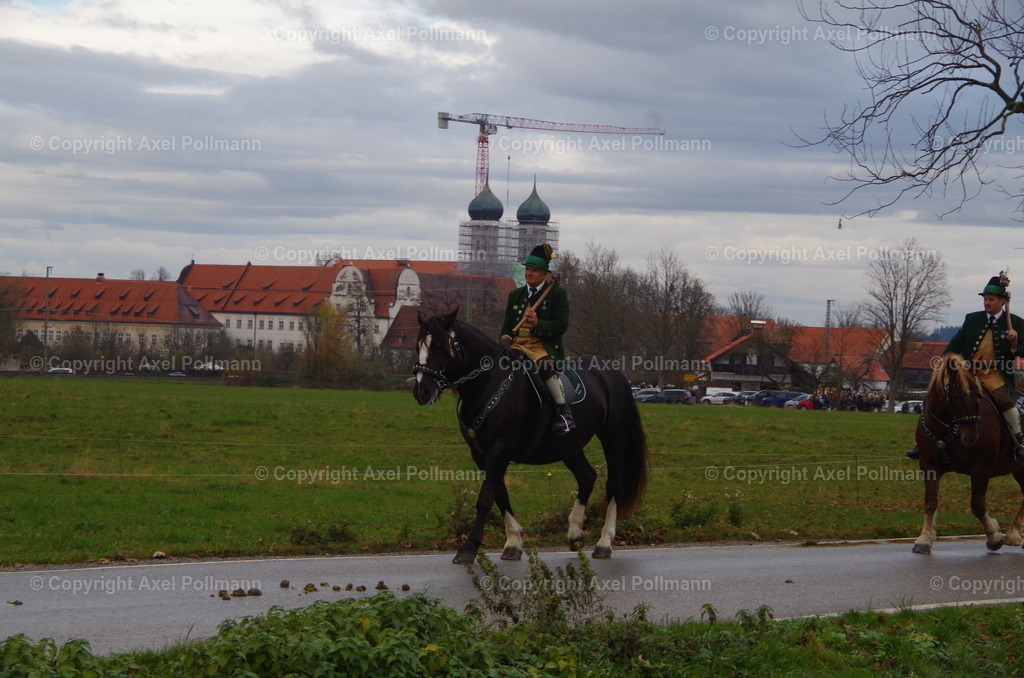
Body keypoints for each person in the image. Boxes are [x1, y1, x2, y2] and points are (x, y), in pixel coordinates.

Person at [908, 273, 1024, 462]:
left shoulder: (1017, 323)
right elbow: (957, 343)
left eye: (991, 299)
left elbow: (1022, 350)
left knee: (1005, 402)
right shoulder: (973, 319)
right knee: (939, 397)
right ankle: (924, 442)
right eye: (985, 299)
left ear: (1003, 301)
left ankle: (1019, 441)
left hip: (996, 374)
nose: (987, 303)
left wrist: (1015, 343)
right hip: (968, 373)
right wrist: (946, 361)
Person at [499, 244, 575, 435]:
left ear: (544, 274)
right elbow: (506, 326)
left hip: (542, 345)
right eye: (527, 270)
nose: (529, 274)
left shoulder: (558, 294)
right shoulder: (515, 295)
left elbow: (561, 326)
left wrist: (538, 324)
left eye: (533, 271)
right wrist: (504, 335)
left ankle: (563, 412)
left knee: (544, 366)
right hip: (517, 344)